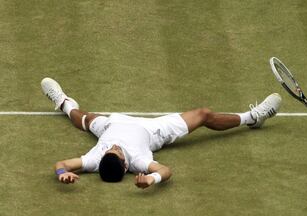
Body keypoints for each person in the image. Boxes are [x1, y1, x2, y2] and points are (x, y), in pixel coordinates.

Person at [41, 77, 282, 189]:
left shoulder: (95, 160)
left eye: (110, 152)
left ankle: (63, 101)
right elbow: (166, 171)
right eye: (117, 154)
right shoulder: (139, 161)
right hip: (152, 130)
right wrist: (151, 178)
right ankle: (254, 118)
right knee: (204, 114)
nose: (113, 149)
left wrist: (63, 173)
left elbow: (61, 163)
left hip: (110, 125)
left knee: (83, 118)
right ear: (126, 167)